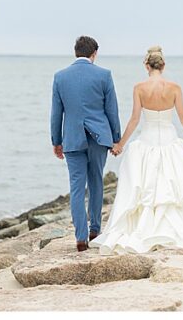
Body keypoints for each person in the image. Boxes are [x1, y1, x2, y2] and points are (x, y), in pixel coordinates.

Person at [90, 46, 183, 254]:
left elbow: (135, 119)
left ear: (146, 65)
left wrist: (120, 145)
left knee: (144, 185)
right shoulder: (174, 87)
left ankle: (146, 228)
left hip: (146, 140)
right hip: (170, 140)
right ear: (163, 65)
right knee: (174, 185)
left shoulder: (139, 88)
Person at [50, 36, 121, 252]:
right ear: (94, 53)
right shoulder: (104, 75)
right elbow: (112, 110)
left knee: (77, 188)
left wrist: (56, 141)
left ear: (75, 52)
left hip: (72, 139)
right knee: (96, 183)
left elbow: (56, 114)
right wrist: (116, 138)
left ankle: (81, 238)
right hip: (99, 138)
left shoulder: (60, 77)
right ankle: (95, 230)